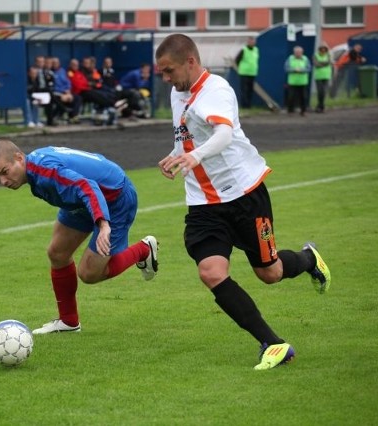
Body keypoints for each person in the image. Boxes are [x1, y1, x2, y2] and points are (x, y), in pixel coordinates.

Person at [154, 34, 331, 370]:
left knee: (270, 273)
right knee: (211, 272)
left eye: (168, 70)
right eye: (162, 72)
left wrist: (196, 157)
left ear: (190, 61)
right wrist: (176, 156)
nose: (165, 78)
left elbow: (222, 134)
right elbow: (189, 137)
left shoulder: (216, 90)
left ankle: (309, 259)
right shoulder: (177, 92)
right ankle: (273, 343)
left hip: (245, 195)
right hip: (204, 203)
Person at [0, 140, 159, 334]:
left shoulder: (45, 171)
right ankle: (68, 322)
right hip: (83, 202)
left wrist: (102, 223)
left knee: (89, 273)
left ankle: (144, 250)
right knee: (57, 253)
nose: (3, 182)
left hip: (114, 200)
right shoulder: (35, 168)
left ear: (19, 158)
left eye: (4, 172)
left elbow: (86, 186)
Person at [285, 46, 311, 116]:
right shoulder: (290, 58)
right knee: (291, 97)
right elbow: (286, 68)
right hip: (292, 82)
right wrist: (294, 70)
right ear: (294, 52)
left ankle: (303, 111)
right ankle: (290, 111)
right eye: (296, 52)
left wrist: (301, 70)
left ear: (302, 52)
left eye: (299, 52)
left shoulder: (305, 59)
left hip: (303, 82)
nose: (298, 53)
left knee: (303, 97)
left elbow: (308, 68)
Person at [235, 36, 259, 109]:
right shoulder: (244, 50)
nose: (253, 42)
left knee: (250, 90)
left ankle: (249, 105)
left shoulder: (256, 50)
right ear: (248, 42)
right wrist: (241, 68)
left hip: (252, 73)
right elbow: (237, 60)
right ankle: (244, 105)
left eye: (254, 41)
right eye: (251, 41)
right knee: (244, 90)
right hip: (244, 73)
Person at [313, 43, 332, 113]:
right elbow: (316, 64)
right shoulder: (316, 55)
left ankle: (320, 106)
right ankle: (321, 106)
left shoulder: (328, 55)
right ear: (319, 49)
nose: (323, 50)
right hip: (318, 76)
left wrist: (321, 63)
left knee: (324, 92)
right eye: (322, 49)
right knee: (320, 92)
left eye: (324, 49)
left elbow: (329, 62)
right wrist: (324, 63)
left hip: (326, 76)